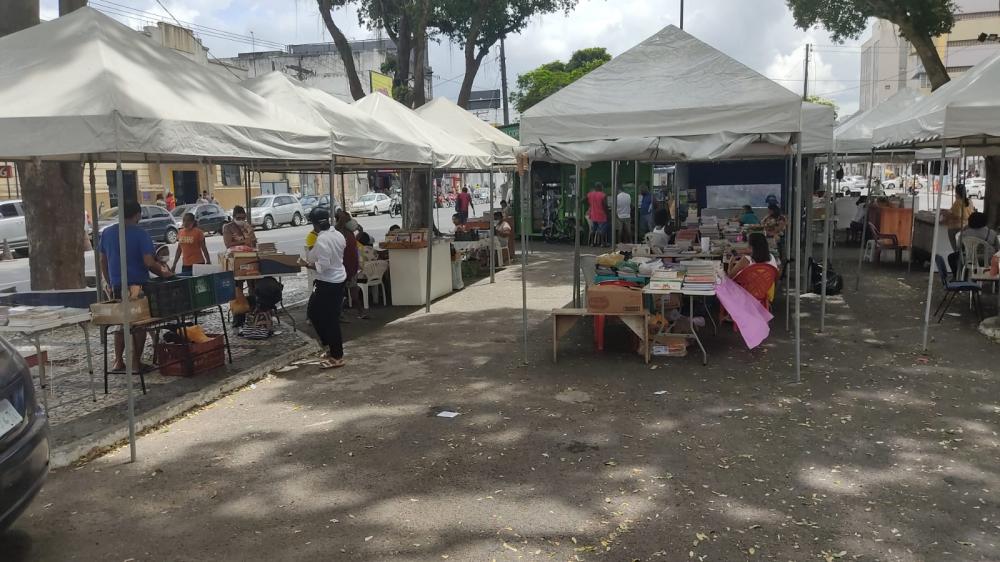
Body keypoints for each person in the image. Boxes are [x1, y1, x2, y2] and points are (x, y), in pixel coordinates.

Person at [99, 201, 173, 372]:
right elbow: (148, 262)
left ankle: (118, 361)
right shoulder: (141, 234)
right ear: (138, 215)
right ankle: (135, 363)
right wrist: (164, 273)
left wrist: (110, 282)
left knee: (122, 323)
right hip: (138, 286)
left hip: (117, 285)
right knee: (140, 324)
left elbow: (103, 260)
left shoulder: (108, 233)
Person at [305, 208, 347, 369]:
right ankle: (330, 346)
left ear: (315, 225)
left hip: (328, 282)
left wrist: (307, 264)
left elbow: (323, 266)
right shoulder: (337, 234)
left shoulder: (322, 240)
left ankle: (337, 356)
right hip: (336, 279)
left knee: (329, 319)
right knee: (315, 313)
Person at [337, 213, 367, 319]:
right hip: (343, 267)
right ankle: (341, 313)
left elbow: (354, 241)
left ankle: (360, 312)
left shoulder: (349, 232)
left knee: (352, 291)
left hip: (351, 265)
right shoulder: (339, 232)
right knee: (342, 293)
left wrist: (360, 231)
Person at [945, 183, 974, 251]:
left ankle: (955, 250)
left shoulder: (958, 202)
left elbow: (957, 216)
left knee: (950, 231)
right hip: (968, 225)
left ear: (957, 192)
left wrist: (947, 215)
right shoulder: (969, 201)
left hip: (960, 226)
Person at [587, 182, 609, 246]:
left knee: (593, 230)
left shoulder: (590, 194)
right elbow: (605, 206)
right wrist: (608, 214)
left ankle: (591, 243)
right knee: (602, 229)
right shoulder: (603, 195)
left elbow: (584, 199)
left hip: (593, 215)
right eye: (602, 187)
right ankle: (602, 243)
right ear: (600, 187)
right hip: (601, 215)